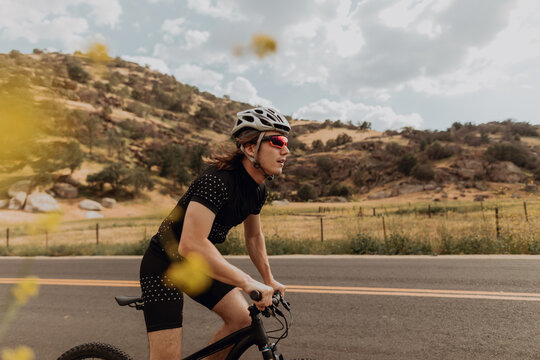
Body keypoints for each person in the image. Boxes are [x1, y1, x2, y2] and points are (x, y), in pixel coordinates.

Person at [139, 106, 291, 360]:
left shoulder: (257, 189)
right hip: (164, 265)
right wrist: (246, 281)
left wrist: (268, 279)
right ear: (251, 148)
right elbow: (190, 244)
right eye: (277, 141)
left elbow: (253, 237)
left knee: (243, 320)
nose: (286, 150)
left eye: (286, 142)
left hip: (196, 263)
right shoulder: (216, 181)